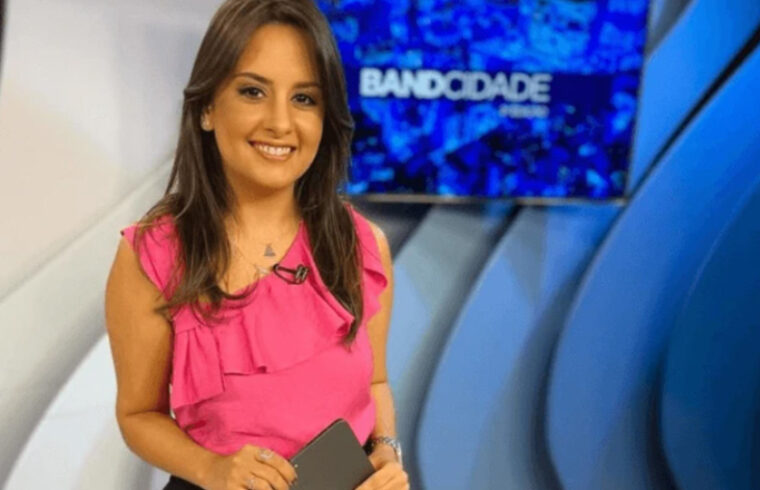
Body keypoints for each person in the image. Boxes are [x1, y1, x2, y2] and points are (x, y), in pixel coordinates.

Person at [104, 1, 409, 489]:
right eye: (253, 92)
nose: (280, 123)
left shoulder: (363, 246)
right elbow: (138, 415)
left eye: (304, 99)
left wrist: (387, 454)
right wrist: (212, 468)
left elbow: (374, 383)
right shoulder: (152, 254)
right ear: (207, 107)